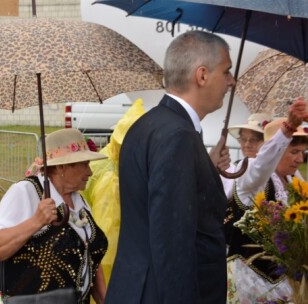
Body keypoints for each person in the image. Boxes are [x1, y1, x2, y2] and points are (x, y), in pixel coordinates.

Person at [106, 31, 235, 303]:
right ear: (202, 75)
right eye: (226, 72)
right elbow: (173, 241)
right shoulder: (179, 135)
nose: (231, 82)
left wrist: (204, 168)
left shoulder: (149, 124)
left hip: (137, 287)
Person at [0, 128, 109, 304]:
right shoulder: (26, 192)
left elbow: (91, 259)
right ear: (61, 167)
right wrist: (37, 221)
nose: (90, 172)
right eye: (84, 164)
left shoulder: (78, 200)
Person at [226, 101, 308, 303]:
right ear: (276, 150)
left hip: (285, 280)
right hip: (249, 278)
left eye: (302, 153)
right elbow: (262, 166)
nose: (299, 159)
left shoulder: (295, 179)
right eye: (293, 152)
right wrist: (287, 129)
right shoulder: (252, 175)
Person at [80, 98, 145, 287]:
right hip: (97, 248)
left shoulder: (141, 166)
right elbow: (81, 203)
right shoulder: (98, 165)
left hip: (131, 251)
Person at [222, 113, 272, 199]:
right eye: (243, 139)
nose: (247, 145)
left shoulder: (276, 170)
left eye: (253, 140)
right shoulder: (233, 169)